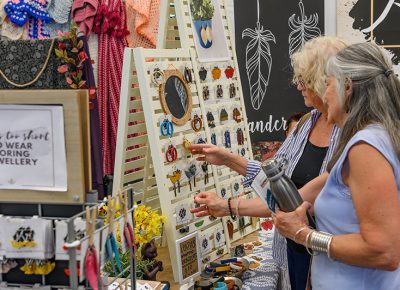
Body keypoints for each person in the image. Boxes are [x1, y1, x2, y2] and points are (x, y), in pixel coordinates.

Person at [190, 36, 347, 290]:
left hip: (331, 257)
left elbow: (292, 200)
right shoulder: (307, 123)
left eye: (304, 80)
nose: (299, 86)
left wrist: (228, 206)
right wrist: (228, 159)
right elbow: (273, 178)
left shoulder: (351, 134)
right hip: (293, 249)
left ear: (325, 81)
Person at [273, 41, 400, 289]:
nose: (325, 93)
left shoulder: (367, 146)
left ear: (347, 87)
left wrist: (304, 235)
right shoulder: (376, 137)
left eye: (328, 84)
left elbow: (383, 252)